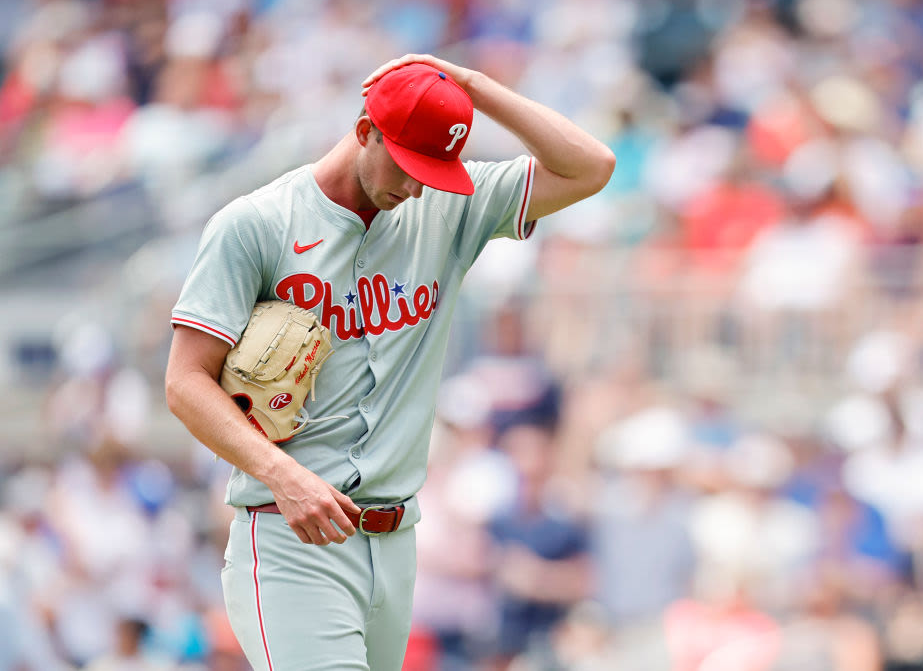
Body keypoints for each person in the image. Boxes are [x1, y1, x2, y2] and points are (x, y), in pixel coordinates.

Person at [164, 53, 615, 671]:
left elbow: (592, 166)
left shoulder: (448, 207)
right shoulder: (256, 225)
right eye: (407, 165)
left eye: (435, 170)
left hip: (397, 543)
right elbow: (185, 382)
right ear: (365, 130)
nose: (416, 186)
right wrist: (281, 473)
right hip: (293, 534)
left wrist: (471, 87)